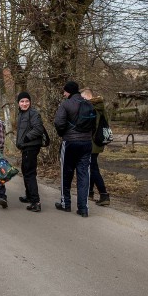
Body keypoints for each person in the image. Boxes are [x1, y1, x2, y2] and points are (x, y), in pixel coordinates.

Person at [54, 80, 92, 217]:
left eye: (65, 91)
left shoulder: (66, 104)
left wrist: (63, 133)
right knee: (84, 175)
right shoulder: (88, 103)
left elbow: (58, 122)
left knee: (66, 172)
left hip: (70, 142)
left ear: (69, 91)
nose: (63, 94)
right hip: (87, 143)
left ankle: (66, 203)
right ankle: (83, 208)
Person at [15, 92, 45, 212]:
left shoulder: (33, 113)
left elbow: (38, 129)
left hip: (31, 146)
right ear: (18, 103)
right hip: (26, 147)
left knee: (29, 173)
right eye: (22, 101)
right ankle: (29, 196)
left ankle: (35, 202)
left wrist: (26, 138)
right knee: (25, 170)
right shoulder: (22, 114)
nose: (25, 103)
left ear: (30, 102)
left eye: (27, 101)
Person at [82, 88, 110, 206]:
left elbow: (89, 126)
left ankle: (104, 194)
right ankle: (90, 192)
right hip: (98, 141)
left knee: (93, 168)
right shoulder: (100, 106)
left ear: (88, 97)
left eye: (82, 98)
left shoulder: (92, 108)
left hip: (92, 142)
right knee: (92, 166)